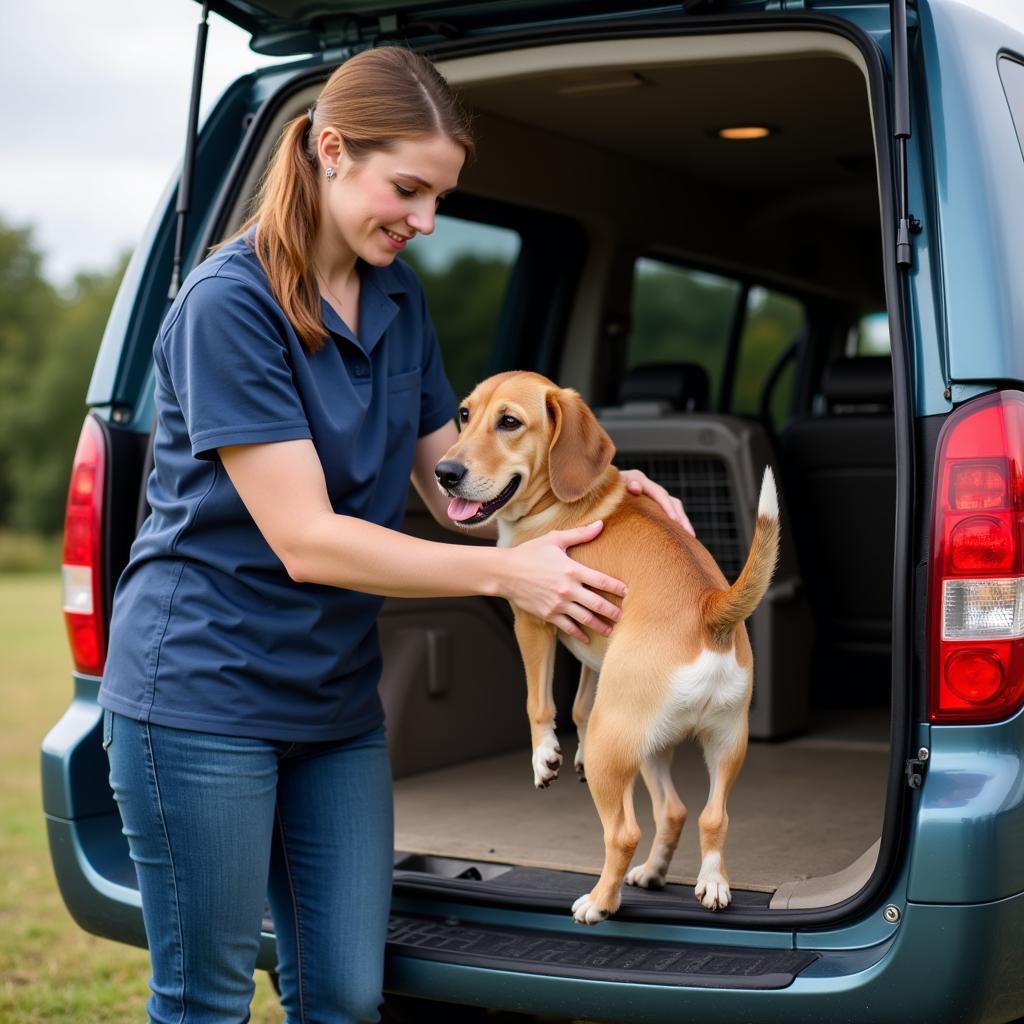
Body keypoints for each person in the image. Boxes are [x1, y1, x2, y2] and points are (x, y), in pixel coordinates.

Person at [98, 46, 692, 1024]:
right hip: (200, 698)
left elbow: (451, 474)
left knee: (343, 997)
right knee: (204, 1001)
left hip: (333, 701)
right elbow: (308, 540)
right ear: (333, 151)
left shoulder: (397, 297)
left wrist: (605, 486)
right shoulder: (227, 307)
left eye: (439, 199)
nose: (423, 222)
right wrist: (506, 580)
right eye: (408, 190)